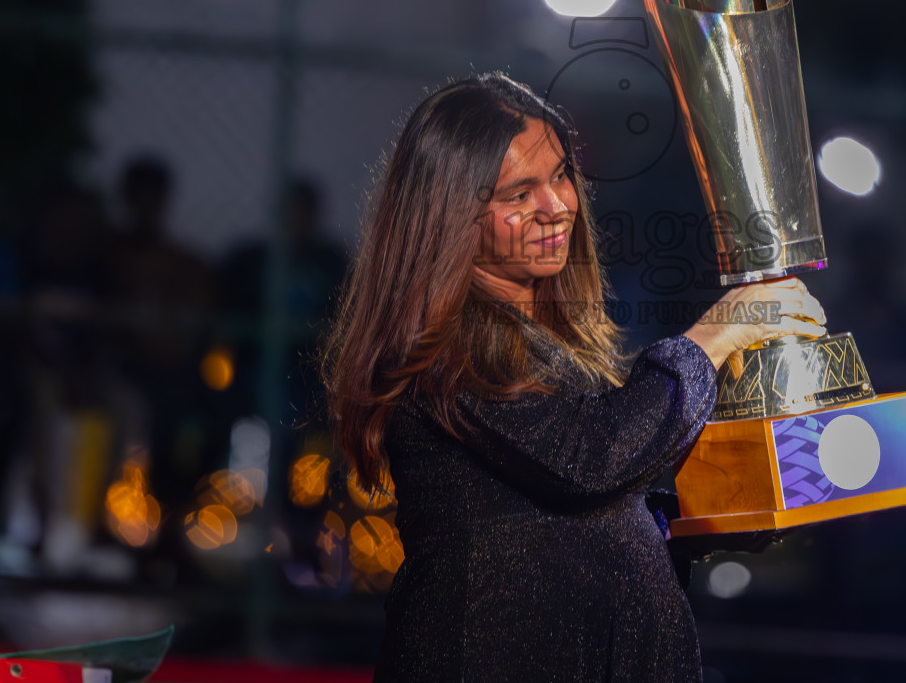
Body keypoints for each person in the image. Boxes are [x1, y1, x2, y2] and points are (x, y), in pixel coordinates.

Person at [323, 72, 826, 683]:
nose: (557, 205)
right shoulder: (442, 349)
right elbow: (587, 460)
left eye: (561, 175)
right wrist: (713, 336)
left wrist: (705, 515)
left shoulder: (540, 334)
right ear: (450, 214)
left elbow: (552, 521)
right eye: (518, 194)